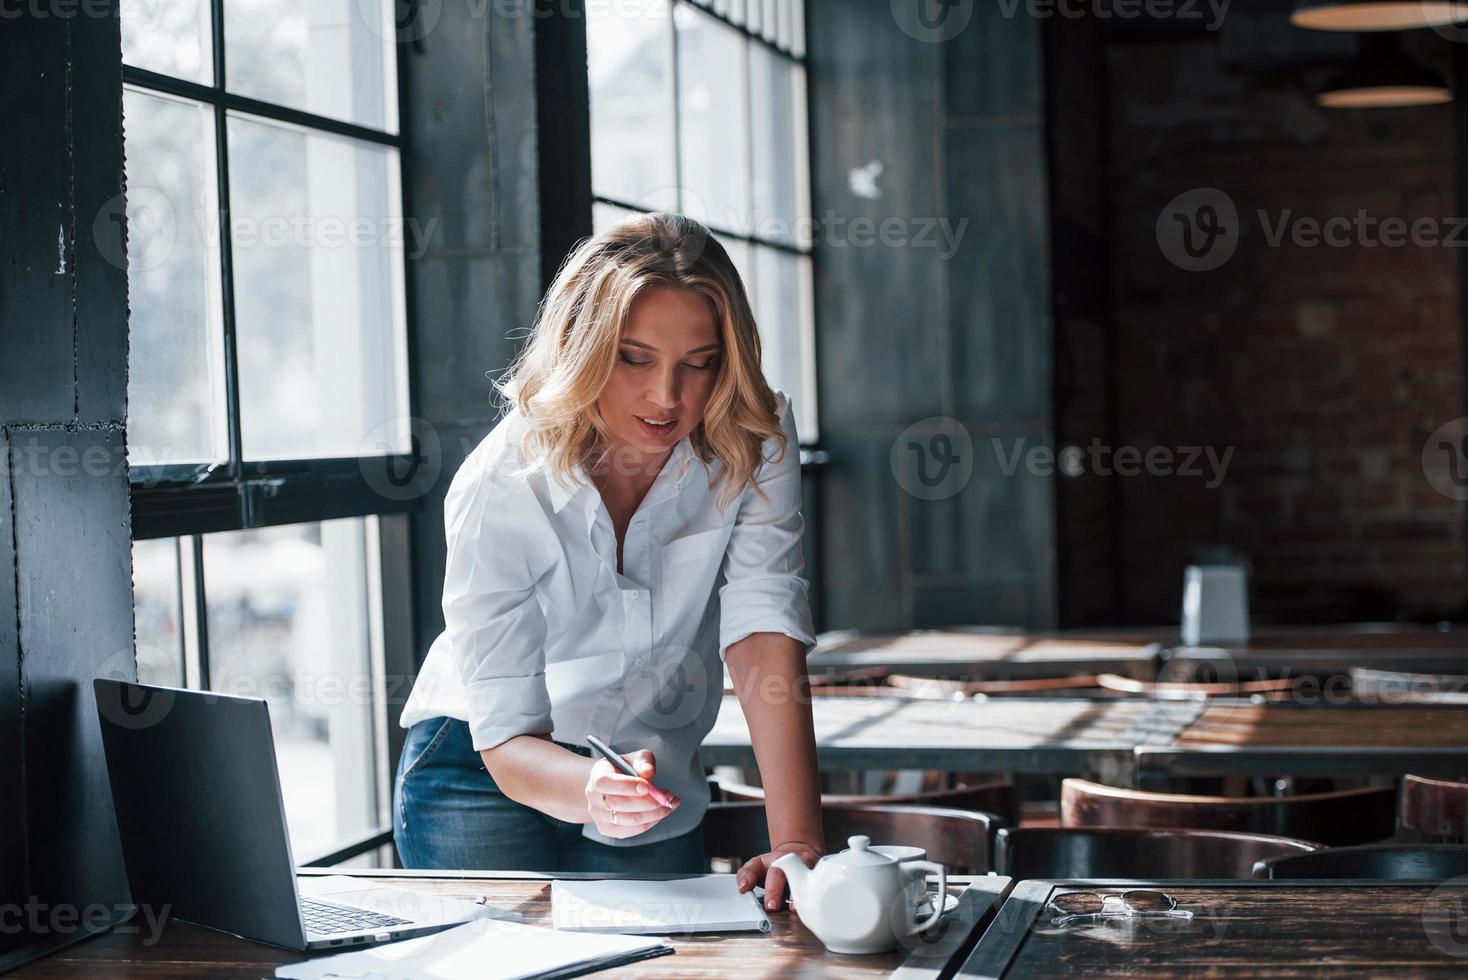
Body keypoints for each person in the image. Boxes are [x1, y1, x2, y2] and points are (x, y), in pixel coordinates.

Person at [393, 212, 823, 909]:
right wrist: (588, 790)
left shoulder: (755, 437)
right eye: (634, 357)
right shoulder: (500, 485)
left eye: (700, 362)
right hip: (479, 766)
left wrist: (797, 841)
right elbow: (503, 733)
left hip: (653, 764)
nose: (667, 396)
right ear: (582, 345)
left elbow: (761, 630)